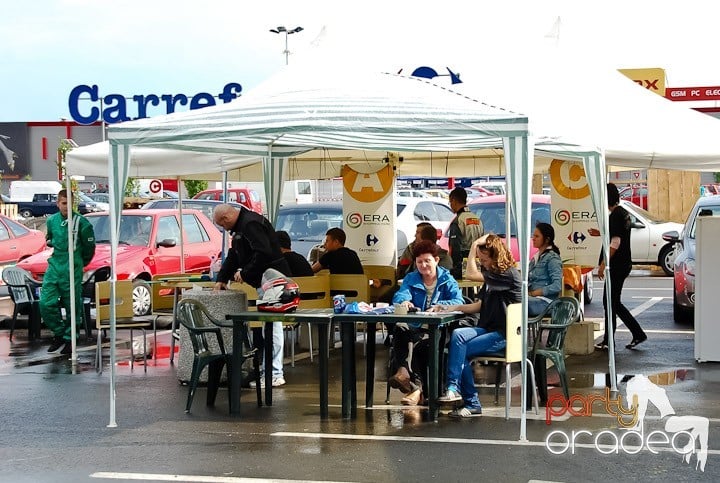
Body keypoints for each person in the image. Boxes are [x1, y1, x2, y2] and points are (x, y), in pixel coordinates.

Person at [434, 234, 522, 417]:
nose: (482, 263)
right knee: (458, 335)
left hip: (506, 334)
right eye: (480, 260)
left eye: (484, 259)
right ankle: (453, 389)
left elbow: (470, 274)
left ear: (496, 257)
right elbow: (479, 305)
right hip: (489, 328)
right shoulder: (492, 277)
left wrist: (474, 245)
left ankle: (468, 399)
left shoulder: (507, 274)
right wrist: (452, 307)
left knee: (461, 352)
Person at [213, 203, 292, 387]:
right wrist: (222, 277)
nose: (224, 229)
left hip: (273, 280)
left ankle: (274, 373)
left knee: (272, 327)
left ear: (226, 218)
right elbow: (235, 254)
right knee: (270, 327)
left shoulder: (249, 225)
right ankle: (271, 371)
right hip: (270, 280)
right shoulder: (246, 224)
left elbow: (262, 252)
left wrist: (245, 272)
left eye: (222, 225)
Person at [390, 240, 464, 406]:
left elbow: (458, 300)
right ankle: (409, 380)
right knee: (400, 329)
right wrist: (405, 301)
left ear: (436, 260)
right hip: (415, 326)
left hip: (438, 329)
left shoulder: (446, 279)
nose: (423, 265)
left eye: (427, 261)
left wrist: (441, 306)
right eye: (419, 262)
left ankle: (411, 382)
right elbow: (400, 295)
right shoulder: (411, 278)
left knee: (415, 344)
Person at [589, 183, 647, 350]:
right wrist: (600, 232)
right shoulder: (623, 213)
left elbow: (615, 242)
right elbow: (618, 233)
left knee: (611, 302)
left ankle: (613, 340)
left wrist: (602, 264)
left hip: (617, 265)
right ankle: (634, 335)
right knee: (613, 302)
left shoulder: (615, 215)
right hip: (624, 264)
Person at [40, 189, 96, 354]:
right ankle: (59, 333)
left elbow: (89, 248)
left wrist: (79, 262)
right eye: (63, 203)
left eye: (69, 203)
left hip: (72, 268)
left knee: (72, 305)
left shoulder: (82, 223)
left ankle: (71, 338)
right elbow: (49, 239)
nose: (66, 207)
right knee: (45, 303)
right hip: (55, 267)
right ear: (58, 203)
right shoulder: (51, 221)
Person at [527, 222, 563, 316]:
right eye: (533, 236)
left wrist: (534, 293)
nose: (533, 239)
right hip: (533, 300)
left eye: (537, 236)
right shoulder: (535, 258)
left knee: (516, 304)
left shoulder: (552, 258)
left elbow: (557, 286)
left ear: (547, 239)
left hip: (546, 302)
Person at [447, 187, 484, 279]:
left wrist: (455, 269)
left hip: (462, 265)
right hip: (477, 263)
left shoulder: (458, 221)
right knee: (473, 288)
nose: (450, 205)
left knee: (463, 289)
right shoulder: (477, 219)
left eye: (450, 202)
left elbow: (455, 247)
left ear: (454, 200)